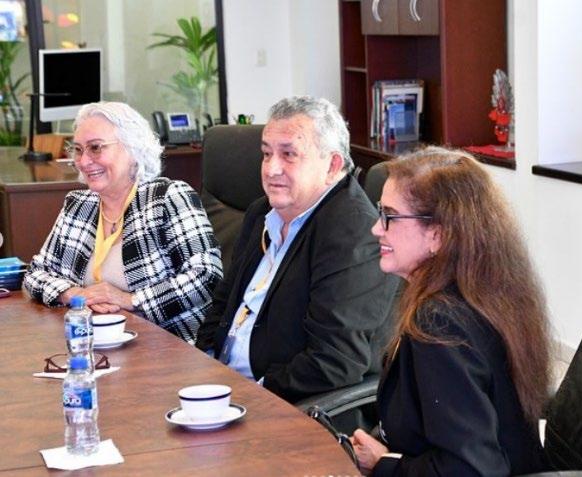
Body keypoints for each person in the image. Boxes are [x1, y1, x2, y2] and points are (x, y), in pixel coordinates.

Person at [351, 147, 551, 476]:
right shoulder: (485, 292)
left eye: (390, 216)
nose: (376, 228)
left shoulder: (440, 324)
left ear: (438, 235)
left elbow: (470, 469)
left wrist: (384, 465)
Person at [196, 96, 399, 403]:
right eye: (267, 154)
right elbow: (224, 303)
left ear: (332, 165)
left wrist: (251, 395)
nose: (271, 169)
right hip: (223, 386)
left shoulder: (355, 233)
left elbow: (334, 362)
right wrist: (205, 364)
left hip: (282, 403)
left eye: (289, 154)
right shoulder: (261, 212)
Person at [24, 102, 223, 344]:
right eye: (78, 150)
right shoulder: (78, 205)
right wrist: (76, 295)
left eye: (96, 148)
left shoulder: (167, 197)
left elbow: (206, 275)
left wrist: (130, 300)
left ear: (132, 148)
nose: (84, 161)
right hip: (93, 343)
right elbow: (36, 273)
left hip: (169, 347)